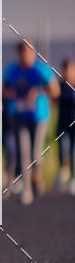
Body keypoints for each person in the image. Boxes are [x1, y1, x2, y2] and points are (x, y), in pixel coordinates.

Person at [3, 40, 59, 205]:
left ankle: (37, 174)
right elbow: (4, 89)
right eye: (22, 52)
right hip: (19, 116)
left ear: (33, 53)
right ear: (18, 53)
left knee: (35, 154)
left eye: (28, 52)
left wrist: (38, 90)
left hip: (39, 117)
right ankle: (26, 188)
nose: (25, 55)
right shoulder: (12, 71)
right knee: (23, 152)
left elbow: (55, 90)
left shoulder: (40, 69)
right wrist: (11, 93)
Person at [55, 58, 75, 194]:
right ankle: (64, 170)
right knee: (63, 148)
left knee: (73, 152)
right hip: (62, 123)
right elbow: (53, 99)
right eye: (65, 69)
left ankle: (73, 178)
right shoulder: (59, 86)